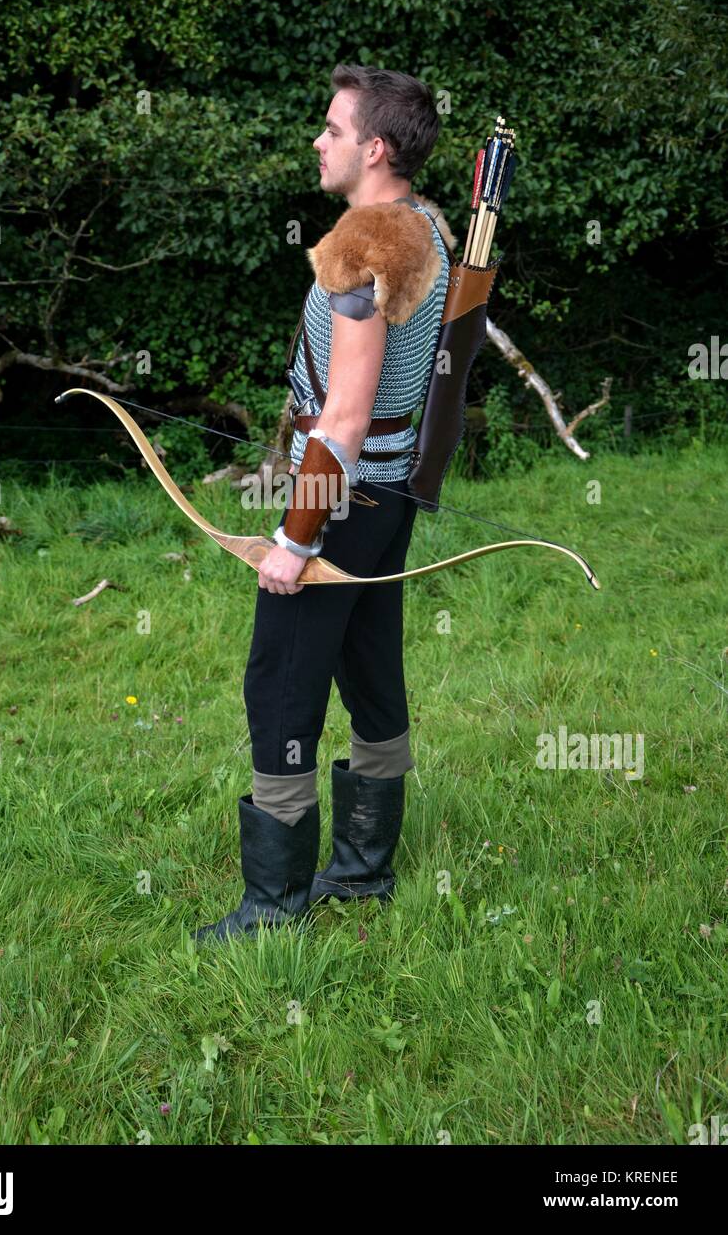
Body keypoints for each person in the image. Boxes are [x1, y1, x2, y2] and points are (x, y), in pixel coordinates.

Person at [193, 64, 456, 945]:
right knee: (372, 668)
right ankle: (364, 870)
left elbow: (342, 414)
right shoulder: (426, 227)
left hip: (341, 496)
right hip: (387, 495)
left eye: (333, 129)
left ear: (374, 148)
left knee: (281, 683)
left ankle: (274, 905)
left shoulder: (363, 246)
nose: (318, 139)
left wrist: (293, 538)